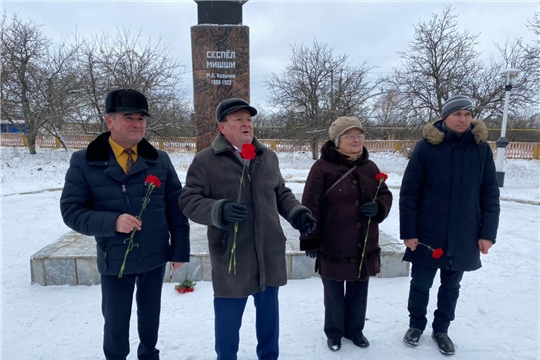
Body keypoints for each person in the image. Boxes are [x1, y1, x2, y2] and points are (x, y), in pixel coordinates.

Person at [178, 98, 316, 360]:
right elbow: (188, 200)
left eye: (249, 119)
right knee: (228, 322)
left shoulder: (268, 157)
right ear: (222, 127)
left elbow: (280, 192)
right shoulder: (206, 161)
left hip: (268, 252)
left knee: (269, 319)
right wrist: (218, 210)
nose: (246, 124)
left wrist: (298, 214)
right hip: (231, 254)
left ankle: (269, 356)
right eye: (238, 119)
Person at [60, 88, 190, 360]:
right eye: (128, 117)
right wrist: (112, 222)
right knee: (116, 323)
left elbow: (176, 208)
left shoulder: (159, 160)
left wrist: (179, 250)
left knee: (150, 317)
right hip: (115, 258)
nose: (136, 124)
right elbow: (71, 211)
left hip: (154, 256)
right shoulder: (85, 162)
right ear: (110, 122)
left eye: (141, 118)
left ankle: (149, 355)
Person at [400, 95, 500, 355]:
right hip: (428, 232)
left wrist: (487, 234)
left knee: (451, 286)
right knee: (421, 283)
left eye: (467, 114)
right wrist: (409, 232)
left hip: (465, 232)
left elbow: (489, 194)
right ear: (445, 117)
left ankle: (441, 329)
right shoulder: (426, 147)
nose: (463, 119)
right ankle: (415, 325)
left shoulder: (481, 150)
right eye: (457, 114)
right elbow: (410, 193)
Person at [299, 116, 393, 352]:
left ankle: (355, 330)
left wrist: (379, 207)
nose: (356, 140)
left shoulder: (369, 167)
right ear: (337, 140)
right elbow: (310, 204)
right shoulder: (322, 168)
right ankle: (334, 332)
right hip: (333, 242)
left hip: (363, 243)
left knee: (359, 289)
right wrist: (310, 238)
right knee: (333, 292)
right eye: (350, 136)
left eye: (360, 135)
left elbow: (385, 194)